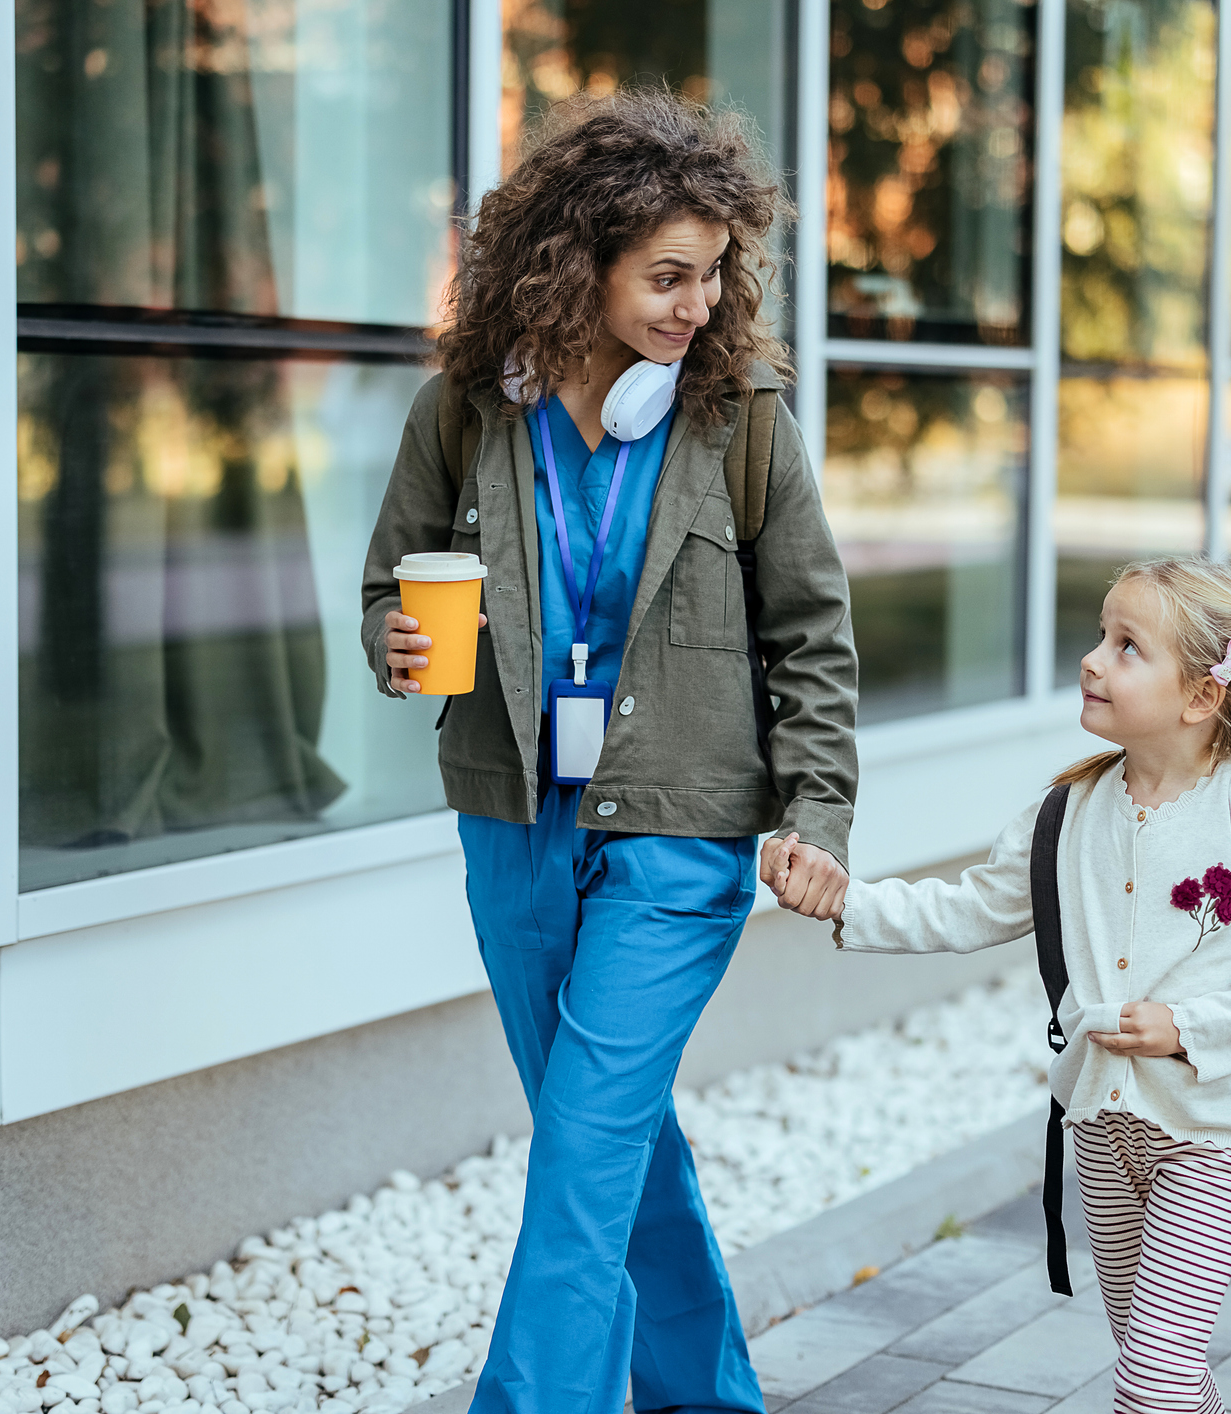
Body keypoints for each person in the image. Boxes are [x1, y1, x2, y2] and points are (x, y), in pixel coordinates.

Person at [359, 92, 858, 1414]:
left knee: (581, 1154)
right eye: (667, 276)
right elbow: (386, 589)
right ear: (579, 263)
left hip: (679, 827)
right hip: (512, 821)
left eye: (714, 275)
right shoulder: (465, 413)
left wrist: (817, 811)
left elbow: (813, 633)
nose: (698, 305)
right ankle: (709, 1394)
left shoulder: (739, 418)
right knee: (614, 1145)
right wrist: (399, 645)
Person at [773, 557, 1231, 1413]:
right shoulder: (1068, 812)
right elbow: (969, 907)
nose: (1092, 659)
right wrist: (844, 900)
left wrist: (1185, 1027)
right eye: (1100, 636)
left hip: (1213, 1137)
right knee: (1160, 1367)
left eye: (1127, 647)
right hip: (1099, 1133)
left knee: (1149, 1381)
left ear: (1201, 696)